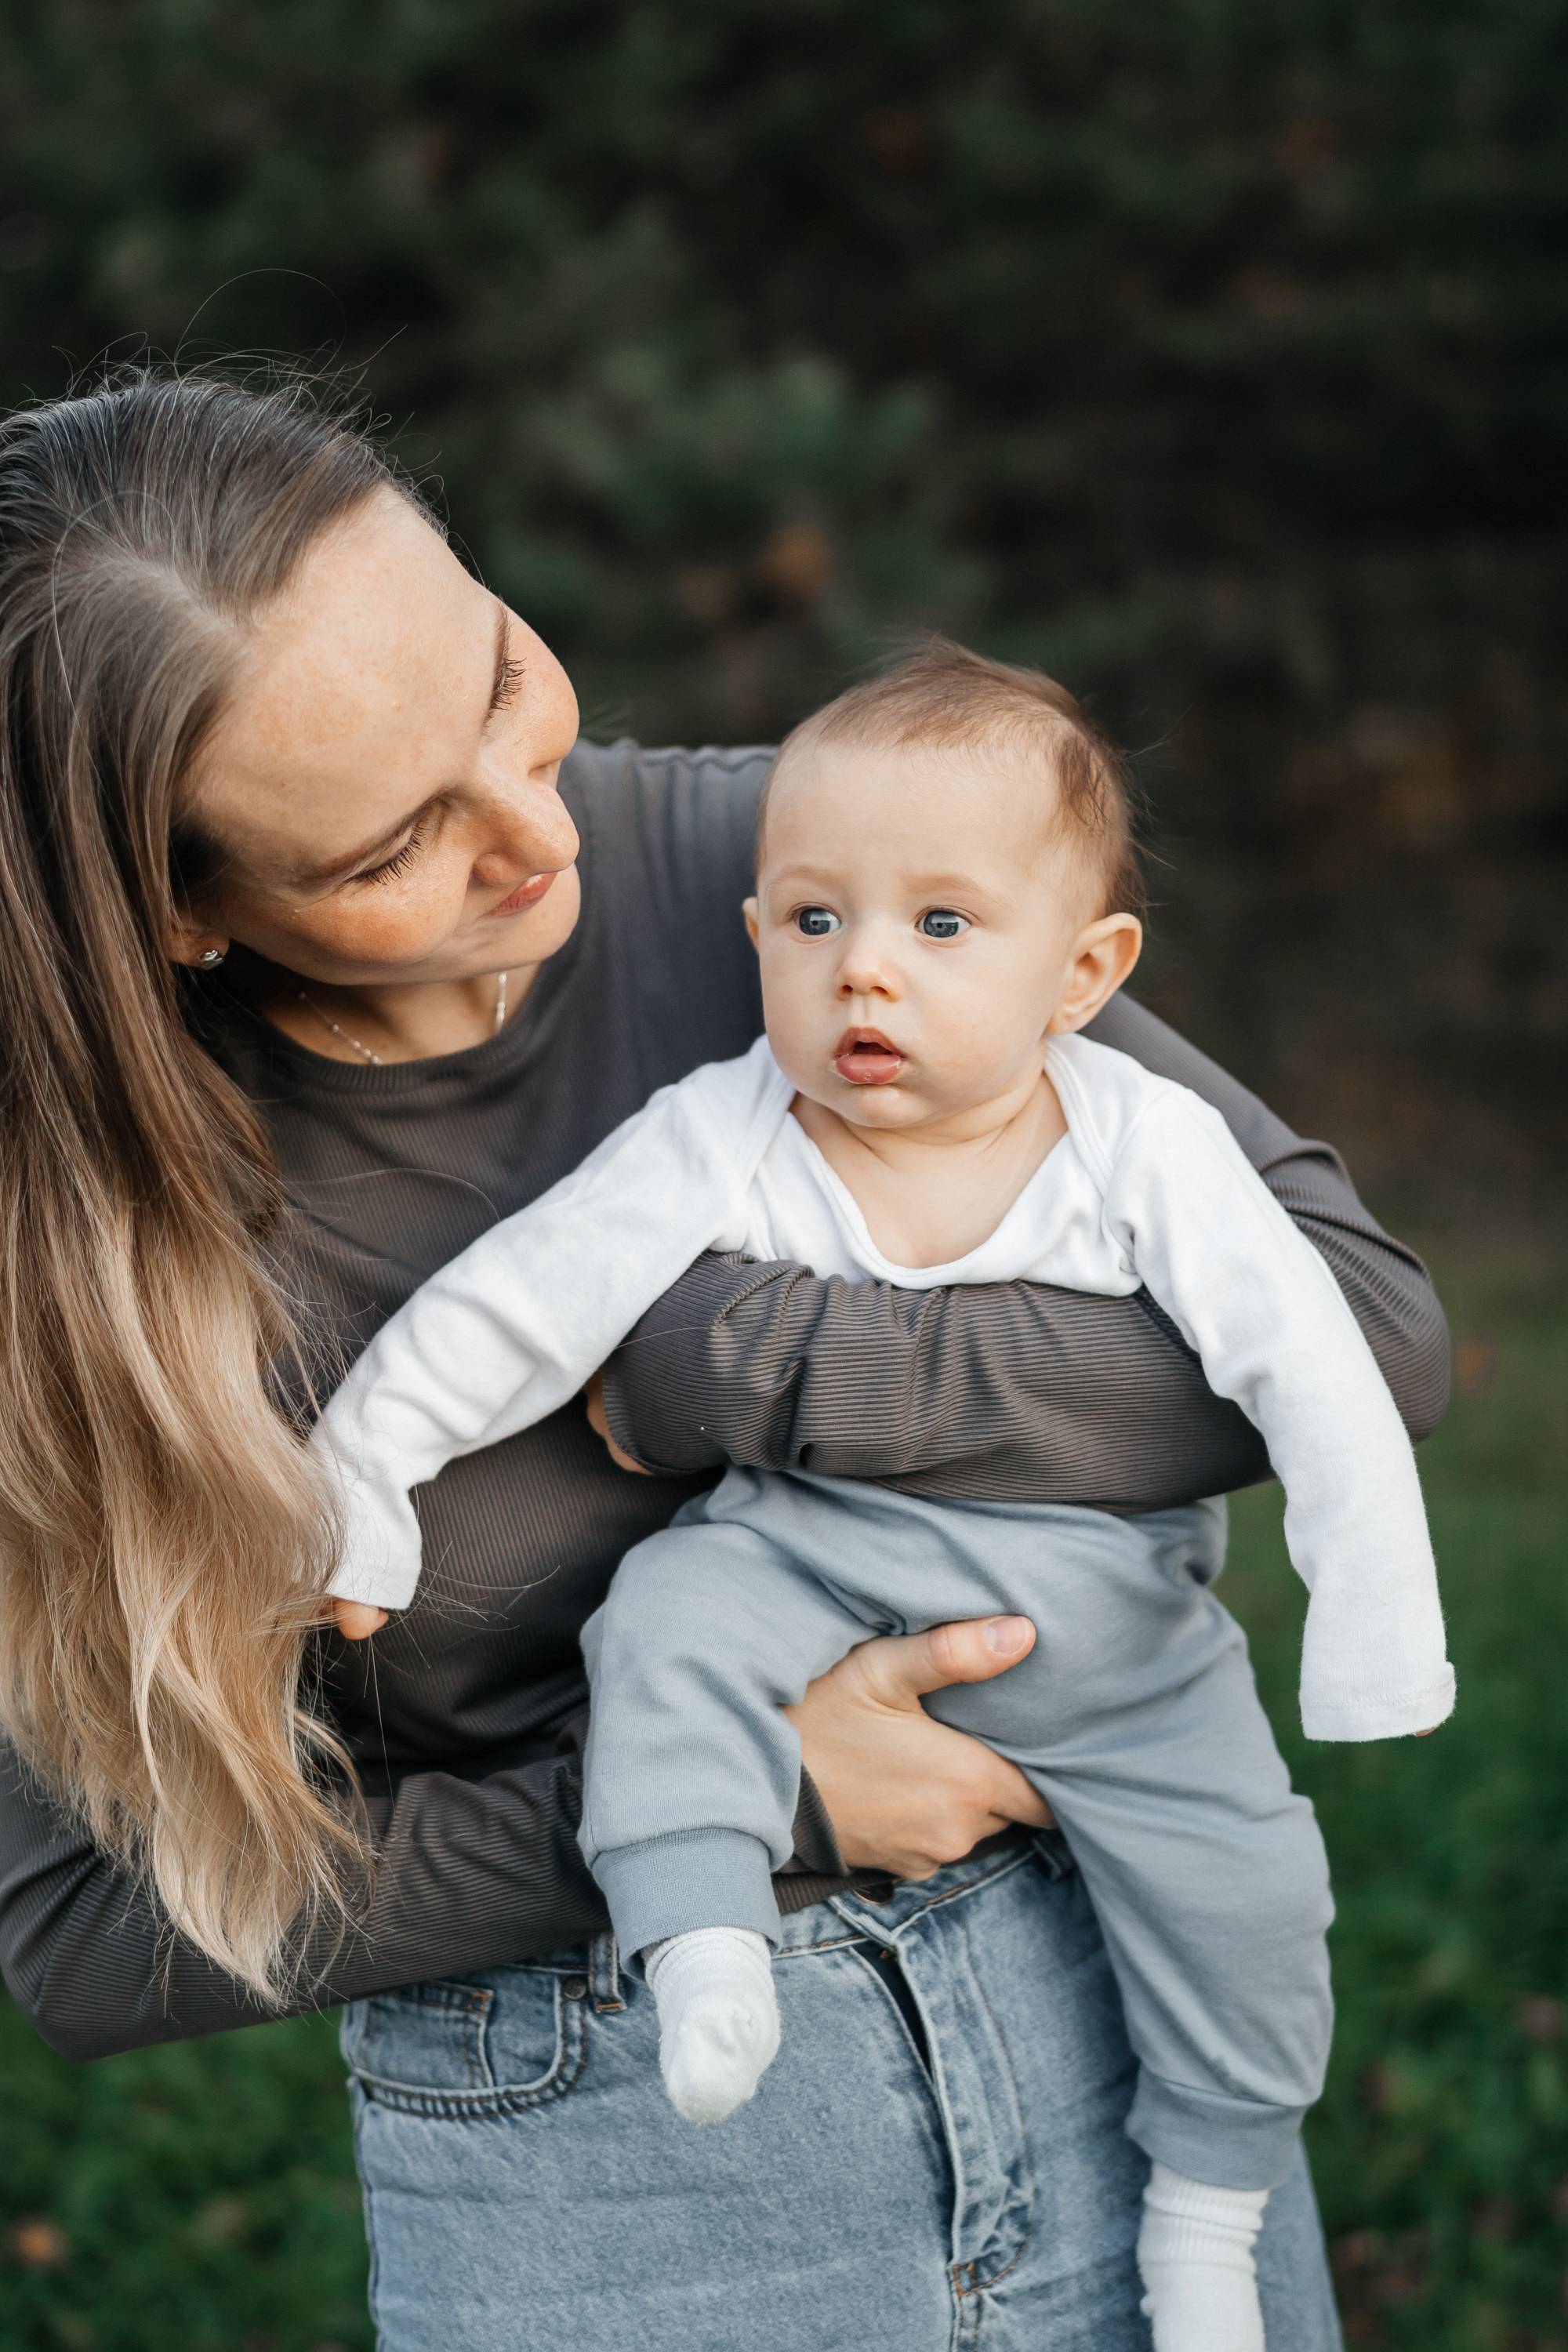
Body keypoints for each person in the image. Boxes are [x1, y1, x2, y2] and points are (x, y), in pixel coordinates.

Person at [0, 374, 1447, 2352]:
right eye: (391, 842)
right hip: (623, 2175)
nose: (532, 830)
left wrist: (737, 1361)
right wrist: (739, 1788)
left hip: (1116, 2022)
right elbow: (87, 1936)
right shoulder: (57, 1256)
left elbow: (1356, 1331)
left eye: (501, 679)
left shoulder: (797, 874)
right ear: (174, 911)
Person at [317, 644, 1454, 2352]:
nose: (866, 975)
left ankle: (1210, 2209)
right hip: (799, 1549)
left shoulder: (1139, 1142)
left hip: (1095, 1599)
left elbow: (1318, 1367)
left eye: (941, 928)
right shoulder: (728, 1124)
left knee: (1245, 1888)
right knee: (670, 1632)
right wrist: (367, 1476)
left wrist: (1372, 1629)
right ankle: (700, 1941)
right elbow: (520, 1299)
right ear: (756, 929)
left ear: (1083, 972)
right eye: (811, 921)